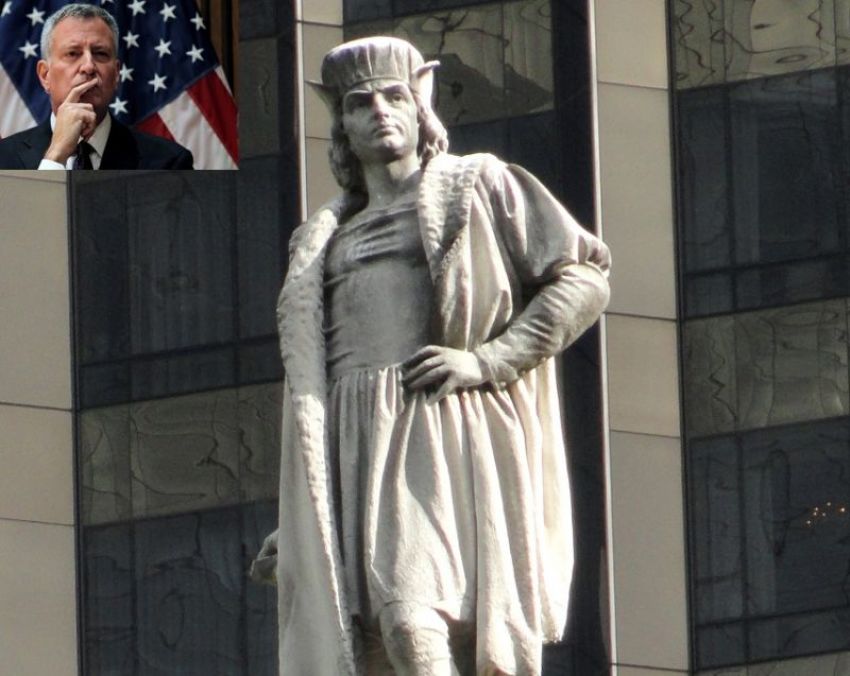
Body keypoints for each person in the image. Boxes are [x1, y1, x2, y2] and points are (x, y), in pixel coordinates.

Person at [256, 36, 610, 675]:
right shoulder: (321, 241)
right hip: (355, 435)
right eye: (361, 103)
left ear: (421, 108)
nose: (380, 112)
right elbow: (315, 387)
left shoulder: (479, 185)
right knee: (374, 642)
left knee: (409, 615)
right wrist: (303, 520)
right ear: (342, 124)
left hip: (440, 424)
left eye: (395, 96)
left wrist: (489, 360)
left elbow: (584, 278)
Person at [0, 3, 192, 170]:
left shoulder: (168, 162)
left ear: (116, 73)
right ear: (45, 75)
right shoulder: (5, 159)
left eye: (100, 53)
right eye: (73, 53)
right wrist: (56, 155)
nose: (89, 66)